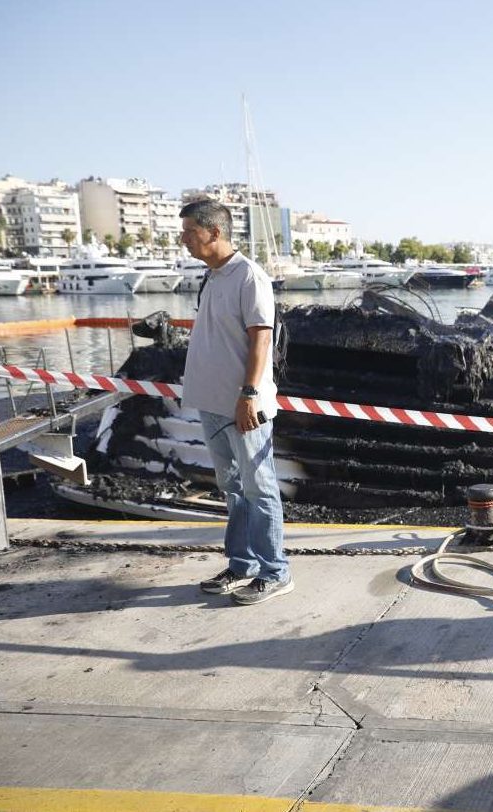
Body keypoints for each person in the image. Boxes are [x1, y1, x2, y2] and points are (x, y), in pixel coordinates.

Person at [180, 199, 293, 604]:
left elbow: (261, 338)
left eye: (190, 231)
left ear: (214, 232)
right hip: (212, 403)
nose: (183, 239)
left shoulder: (249, 276)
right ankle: (242, 564)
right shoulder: (212, 277)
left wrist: (248, 395)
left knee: (259, 488)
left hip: (243, 405)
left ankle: (276, 572)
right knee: (232, 488)